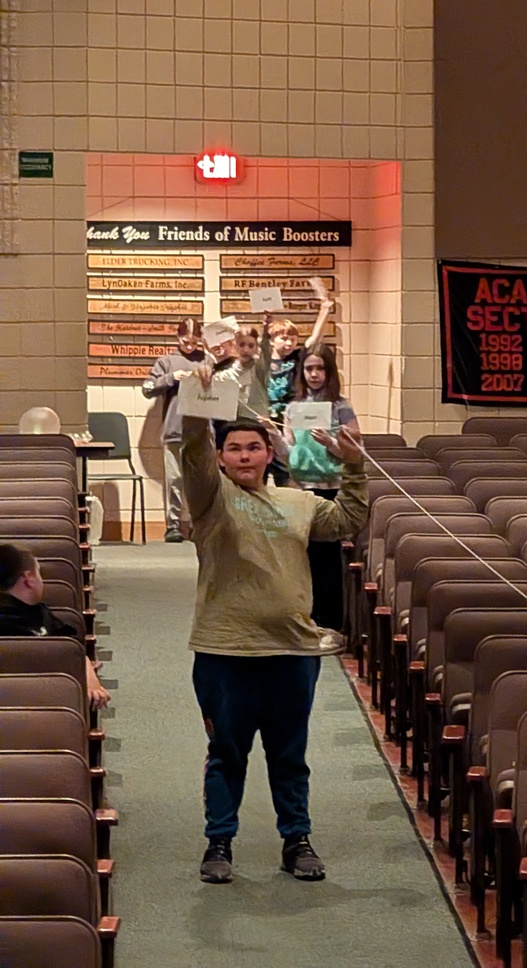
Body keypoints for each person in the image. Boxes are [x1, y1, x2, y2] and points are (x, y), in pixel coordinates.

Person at [180, 397, 368, 885]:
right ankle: (219, 841)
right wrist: (199, 414)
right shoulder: (211, 499)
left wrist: (353, 467)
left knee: (289, 754)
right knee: (227, 752)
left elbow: (347, 519)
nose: (243, 456)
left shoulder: (298, 501)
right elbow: (193, 458)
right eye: (234, 449)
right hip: (226, 650)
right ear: (221, 457)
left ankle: (296, 841)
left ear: (270, 454)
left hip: (292, 651)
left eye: (253, 448)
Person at [283, 344, 360, 633]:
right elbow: (288, 451)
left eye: (320, 369)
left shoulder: (341, 406)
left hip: (332, 487)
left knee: (328, 558)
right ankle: (307, 617)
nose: (314, 374)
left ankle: (330, 621)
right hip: (302, 487)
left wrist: (333, 444)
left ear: (329, 372)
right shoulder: (293, 407)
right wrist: (273, 437)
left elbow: (356, 450)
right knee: (303, 556)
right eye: (309, 369)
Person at [0, 543, 110, 710]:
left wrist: (89, 675)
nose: (42, 581)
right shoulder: (19, 618)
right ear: (28, 578)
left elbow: (72, 648)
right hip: (42, 705)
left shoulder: (38, 612)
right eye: (39, 573)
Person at [142, 317, 206, 542]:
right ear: (178, 337)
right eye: (185, 341)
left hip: (202, 431)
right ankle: (173, 524)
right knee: (175, 479)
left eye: (194, 342)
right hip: (174, 428)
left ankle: (200, 523)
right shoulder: (167, 361)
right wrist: (170, 378)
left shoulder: (206, 360)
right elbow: (147, 388)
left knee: (200, 480)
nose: (189, 346)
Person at [266, 295, 335, 486]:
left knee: (286, 470)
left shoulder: (297, 357)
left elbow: (315, 339)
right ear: (272, 340)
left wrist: (325, 310)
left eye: (293, 339)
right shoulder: (263, 361)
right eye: (284, 338)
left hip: (291, 419)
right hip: (266, 420)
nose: (289, 343)